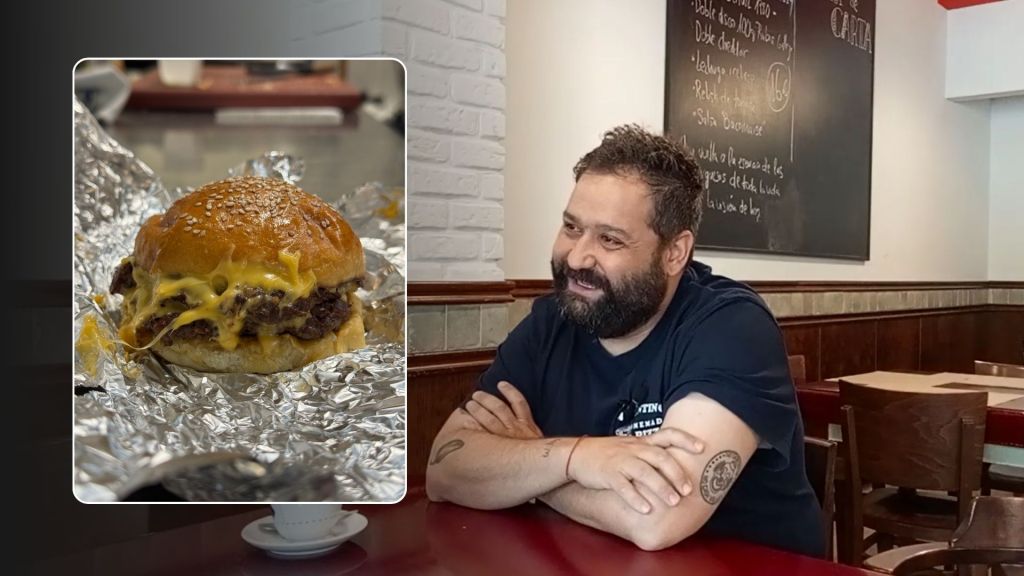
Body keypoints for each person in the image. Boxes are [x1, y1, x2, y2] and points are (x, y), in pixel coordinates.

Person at [425, 124, 824, 556]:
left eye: (610, 239)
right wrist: (577, 458)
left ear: (675, 253)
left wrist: (527, 466)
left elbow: (653, 519)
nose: (578, 258)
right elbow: (445, 469)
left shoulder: (730, 326)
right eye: (571, 228)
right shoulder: (554, 319)